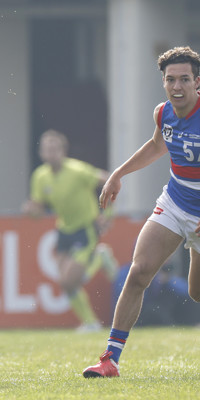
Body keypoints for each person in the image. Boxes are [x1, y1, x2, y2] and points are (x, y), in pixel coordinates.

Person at [83, 46, 200, 378]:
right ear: (163, 82)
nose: (177, 87)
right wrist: (119, 173)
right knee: (138, 273)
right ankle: (110, 359)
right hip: (176, 203)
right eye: (170, 80)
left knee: (196, 292)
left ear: (197, 82)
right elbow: (157, 145)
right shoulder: (163, 113)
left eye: (184, 80)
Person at [22, 129, 118, 332]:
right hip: (64, 230)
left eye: (55, 148)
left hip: (86, 228)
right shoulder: (40, 177)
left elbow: (110, 181)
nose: (51, 153)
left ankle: (100, 257)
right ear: (41, 152)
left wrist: (107, 215)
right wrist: (31, 210)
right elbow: (38, 211)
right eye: (47, 149)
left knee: (68, 280)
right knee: (66, 283)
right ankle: (91, 323)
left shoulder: (77, 170)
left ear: (63, 151)